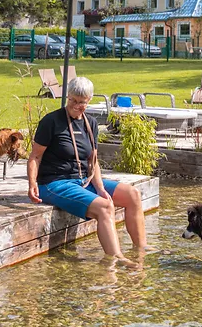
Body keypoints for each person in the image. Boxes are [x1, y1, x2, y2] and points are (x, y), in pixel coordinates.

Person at [27, 76, 147, 259]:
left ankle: (141, 250)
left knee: (133, 194)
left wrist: (100, 187)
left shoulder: (90, 123)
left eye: (81, 102)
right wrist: (32, 184)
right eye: (73, 100)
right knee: (105, 207)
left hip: (84, 180)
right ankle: (116, 259)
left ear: (89, 100)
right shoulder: (51, 121)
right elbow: (35, 156)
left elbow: (93, 161)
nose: (76, 105)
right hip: (55, 183)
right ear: (68, 96)